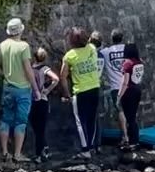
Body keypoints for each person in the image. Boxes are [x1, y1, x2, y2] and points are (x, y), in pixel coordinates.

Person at [0, 17, 38, 164]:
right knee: (20, 122)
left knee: (6, 119)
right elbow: (28, 69)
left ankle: (5, 152)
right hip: (23, 89)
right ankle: (17, 154)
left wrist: (5, 75)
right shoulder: (24, 46)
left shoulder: (1, 46)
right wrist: (36, 89)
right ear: (21, 30)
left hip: (8, 88)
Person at [59, 26, 102, 154]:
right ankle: (92, 145)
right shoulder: (92, 49)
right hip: (95, 88)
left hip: (80, 90)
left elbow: (63, 76)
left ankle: (85, 149)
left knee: (80, 121)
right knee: (92, 119)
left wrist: (66, 93)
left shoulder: (69, 56)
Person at [28, 47, 60, 162]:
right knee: (41, 128)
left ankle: (41, 153)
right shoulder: (44, 68)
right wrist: (48, 89)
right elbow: (56, 79)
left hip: (31, 100)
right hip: (42, 100)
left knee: (36, 128)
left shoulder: (30, 69)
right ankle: (42, 152)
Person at [118, 42, 145, 147]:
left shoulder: (127, 63)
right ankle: (135, 140)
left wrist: (119, 95)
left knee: (129, 117)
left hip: (129, 91)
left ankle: (132, 141)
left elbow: (125, 82)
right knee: (133, 116)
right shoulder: (139, 62)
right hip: (137, 89)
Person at [97, 27, 126, 124]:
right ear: (122, 38)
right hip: (129, 85)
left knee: (120, 110)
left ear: (111, 39)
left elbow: (96, 54)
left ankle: (125, 135)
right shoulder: (128, 49)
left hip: (116, 87)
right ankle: (132, 132)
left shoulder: (105, 52)